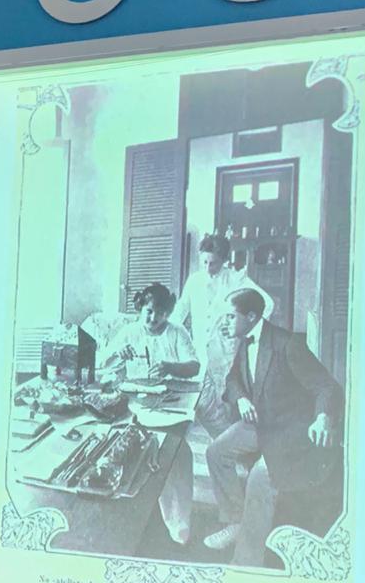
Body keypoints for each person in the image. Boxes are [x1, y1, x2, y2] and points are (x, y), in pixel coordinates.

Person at [203, 289, 342, 566]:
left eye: (231, 316)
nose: (225, 323)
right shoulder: (244, 342)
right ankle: (234, 521)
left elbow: (327, 387)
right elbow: (232, 380)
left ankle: (246, 563)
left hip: (291, 430)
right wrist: (242, 398)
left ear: (252, 316)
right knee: (216, 451)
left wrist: (323, 417)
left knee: (258, 479)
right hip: (260, 424)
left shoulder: (287, 344)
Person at [100, 284, 198, 545]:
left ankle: (179, 523)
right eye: (149, 312)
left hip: (168, 402)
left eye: (160, 313)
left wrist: (170, 366)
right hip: (134, 404)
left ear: (168, 313)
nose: (154, 318)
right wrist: (117, 356)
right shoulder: (129, 332)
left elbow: (194, 366)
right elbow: (103, 364)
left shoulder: (178, 333)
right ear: (140, 309)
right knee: (123, 449)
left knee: (177, 453)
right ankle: (127, 514)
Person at [172, 233, 274, 438]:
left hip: (227, 351)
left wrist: (244, 329)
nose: (208, 267)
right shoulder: (194, 280)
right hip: (201, 349)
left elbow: (267, 304)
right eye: (204, 262)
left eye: (214, 263)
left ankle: (234, 447)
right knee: (204, 404)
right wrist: (167, 331)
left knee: (229, 400)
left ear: (225, 261)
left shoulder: (236, 279)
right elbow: (180, 311)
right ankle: (221, 443)